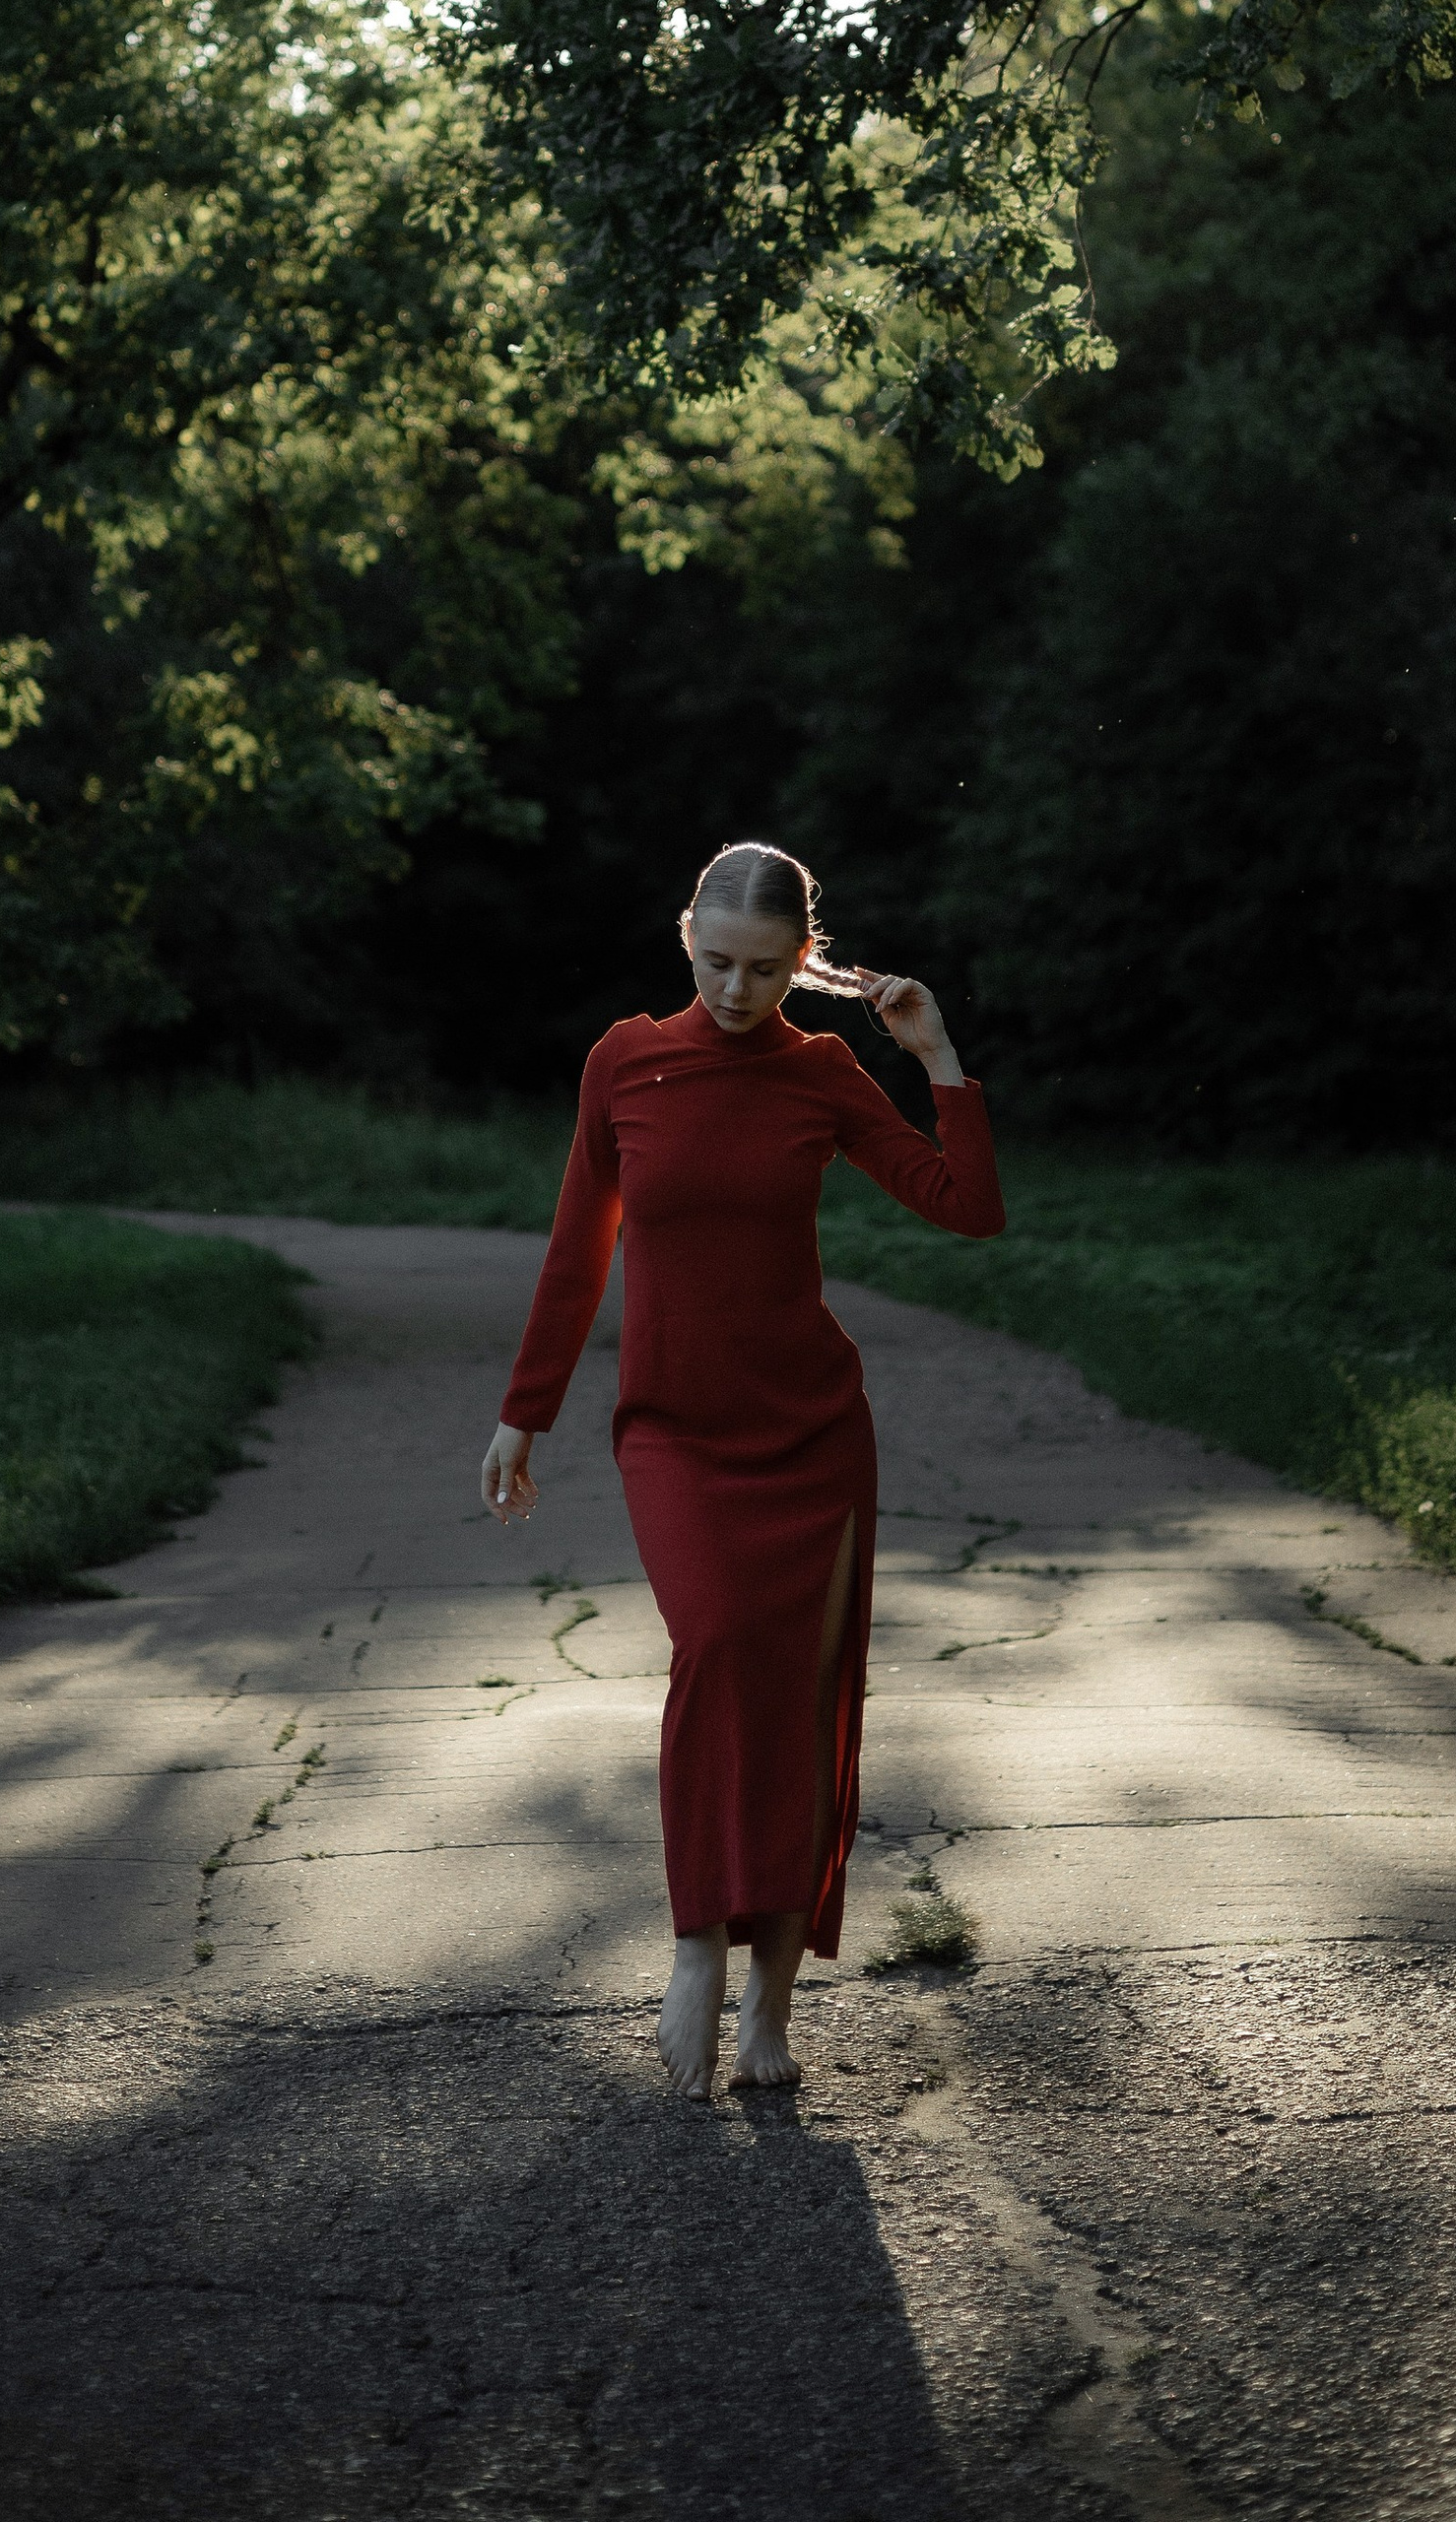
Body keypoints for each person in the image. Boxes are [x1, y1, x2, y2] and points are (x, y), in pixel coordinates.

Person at [480, 838, 1005, 2096]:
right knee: (716, 1650)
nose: (735, 991)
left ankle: (771, 2005)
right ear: (685, 939)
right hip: (674, 1430)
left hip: (812, 1437)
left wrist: (936, 1062)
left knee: (799, 1705)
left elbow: (965, 1206)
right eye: (716, 962)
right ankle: (693, 1948)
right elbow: (575, 1250)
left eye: (765, 971)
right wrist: (524, 1412)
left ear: (801, 962)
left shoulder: (820, 1073)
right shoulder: (625, 1060)